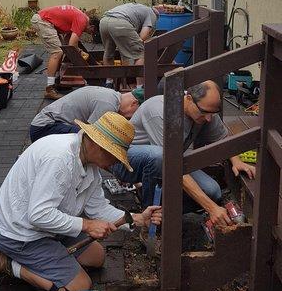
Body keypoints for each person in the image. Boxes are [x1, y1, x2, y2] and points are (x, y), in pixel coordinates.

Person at [0, 112, 162, 291]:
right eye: (115, 156)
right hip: (20, 234)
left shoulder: (89, 164)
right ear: (98, 145)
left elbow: (99, 209)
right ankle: (4, 262)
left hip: (47, 228)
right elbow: (38, 215)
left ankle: (47, 257)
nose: (116, 162)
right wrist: (86, 225)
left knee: (97, 257)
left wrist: (137, 219)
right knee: (80, 287)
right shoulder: (59, 159)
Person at [110, 80, 256, 227]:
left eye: (212, 113)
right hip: (127, 163)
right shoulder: (159, 111)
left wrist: (236, 160)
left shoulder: (206, 109)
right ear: (188, 98)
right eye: (204, 112)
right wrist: (211, 208)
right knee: (159, 156)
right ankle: (148, 222)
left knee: (213, 192)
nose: (208, 119)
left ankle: (162, 212)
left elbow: (222, 138)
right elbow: (172, 165)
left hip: (168, 162)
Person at [29, 85, 144, 142]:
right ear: (134, 103)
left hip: (50, 123)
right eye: (135, 114)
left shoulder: (111, 95)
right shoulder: (109, 105)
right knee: (86, 140)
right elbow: (92, 135)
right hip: (44, 128)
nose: (130, 118)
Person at [31, 5, 99, 100]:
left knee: (61, 51)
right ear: (92, 26)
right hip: (43, 20)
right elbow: (72, 44)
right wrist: (80, 53)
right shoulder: (82, 21)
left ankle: (57, 82)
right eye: (93, 31)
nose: (91, 34)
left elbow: (68, 40)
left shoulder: (80, 17)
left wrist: (77, 52)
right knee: (57, 52)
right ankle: (49, 89)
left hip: (44, 19)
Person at [99, 3, 159, 89]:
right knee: (140, 53)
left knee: (108, 53)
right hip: (120, 23)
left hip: (104, 21)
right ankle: (140, 88)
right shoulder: (152, 14)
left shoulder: (139, 8)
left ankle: (109, 82)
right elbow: (143, 37)